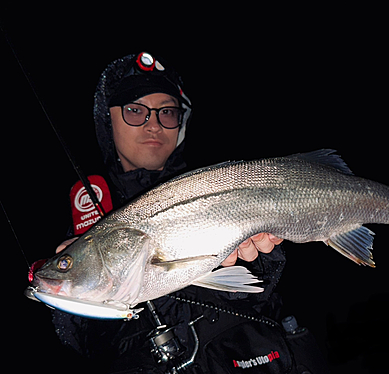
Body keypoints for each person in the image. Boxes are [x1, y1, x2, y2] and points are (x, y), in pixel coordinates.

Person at [52, 52, 329, 373]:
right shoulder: (87, 215)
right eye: (134, 110)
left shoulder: (219, 183)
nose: (153, 124)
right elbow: (84, 343)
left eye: (167, 112)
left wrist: (260, 260)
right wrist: (72, 300)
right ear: (107, 120)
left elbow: (256, 294)